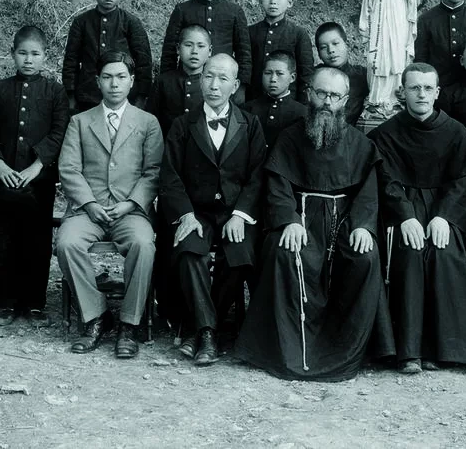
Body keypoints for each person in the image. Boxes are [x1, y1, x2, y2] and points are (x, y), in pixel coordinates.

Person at [235, 67, 395, 381]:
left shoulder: (359, 143)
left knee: (366, 257)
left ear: (345, 101)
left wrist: (364, 225)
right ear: (310, 93)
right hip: (301, 222)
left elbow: (368, 190)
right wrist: (288, 220)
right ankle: (288, 351)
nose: (326, 101)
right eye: (321, 93)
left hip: (345, 223)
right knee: (283, 253)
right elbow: (277, 185)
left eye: (334, 96)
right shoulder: (290, 137)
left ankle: (348, 351)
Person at [369, 63, 466, 373]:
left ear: (437, 93)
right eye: (414, 88)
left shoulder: (455, 132)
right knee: (409, 254)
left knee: (444, 254)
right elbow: (387, 181)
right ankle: (408, 351)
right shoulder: (386, 133)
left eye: (427, 88)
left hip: (443, 212)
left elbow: (463, 182)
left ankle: (443, 349)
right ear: (403, 92)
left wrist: (445, 218)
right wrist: (405, 216)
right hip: (403, 213)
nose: (421, 94)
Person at [159, 54, 266, 366]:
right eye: (208, 77)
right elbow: (170, 176)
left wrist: (241, 214)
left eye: (222, 79)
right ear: (199, 79)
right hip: (197, 213)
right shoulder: (183, 124)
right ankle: (209, 332)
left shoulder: (250, 124)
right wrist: (186, 215)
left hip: (234, 214)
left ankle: (200, 328)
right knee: (190, 252)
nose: (214, 85)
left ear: (234, 86)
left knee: (240, 254)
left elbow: (259, 174)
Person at [56, 51, 163, 358]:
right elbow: (69, 169)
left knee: (144, 244)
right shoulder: (80, 121)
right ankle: (96, 316)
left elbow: (152, 171)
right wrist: (89, 203)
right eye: (107, 77)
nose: (114, 84)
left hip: (129, 210)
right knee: (67, 243)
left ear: (131, 82)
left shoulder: (148, 123)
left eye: (120, 77)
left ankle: (129, 323)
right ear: (97, 81)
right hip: (88, 210)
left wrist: (131, 203)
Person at [0, 26, 69, 327]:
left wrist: (37, 166)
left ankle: (34, 304)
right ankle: (6, 302)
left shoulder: (55, 91)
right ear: (12, 54)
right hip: (4, 179)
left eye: (35, 54)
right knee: (4, 237)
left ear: (46, 56)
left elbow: (59, 132)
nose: (28, 60)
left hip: (38, 182)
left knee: (37, 240)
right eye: (22, 53)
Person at [161, 0, 252, 101]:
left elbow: (244, 53)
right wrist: (167, 83)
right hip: (187, 83)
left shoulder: (234, 11)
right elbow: (169, 51)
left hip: (222, 84)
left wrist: (241, 88)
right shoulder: (182, 10)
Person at [63, 0, 153, 112]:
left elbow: (144, 62)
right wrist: (71, 95)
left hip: (124, 97)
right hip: (88, 96)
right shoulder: (81, 22)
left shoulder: (131, 23)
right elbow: (71, 61)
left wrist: (141, 96)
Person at [359, 0, 417, 111]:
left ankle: (397, 94)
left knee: (397, 51)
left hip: (399, 14)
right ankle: (377, 95)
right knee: (381, 49)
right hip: (380, 14)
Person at [247, 0, 314, 102]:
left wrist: (302, 106)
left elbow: (306, 74)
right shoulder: (250, 32)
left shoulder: (298, 34)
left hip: (288, 104)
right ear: (261, 0)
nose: (273, 2)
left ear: (290, 2)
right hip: (254, 101)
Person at [147, 24, 212, 140]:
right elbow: (150, 120)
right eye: (188, 45)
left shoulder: (213, 84)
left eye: (201, 46)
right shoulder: (163, 82)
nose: (194, 51)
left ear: (210, 51)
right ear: (178, 48)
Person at [244, 51, 307, 151]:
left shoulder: (302, 113)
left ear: (292, 77)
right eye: (268, 73)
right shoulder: (247, 109)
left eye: (279, 73)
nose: (273, 79)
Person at [315, 22, 368, 126]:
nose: (331, 50)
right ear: (319, 54)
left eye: (335, 44)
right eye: (324, 47)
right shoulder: (314, 76)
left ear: (346, 45)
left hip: (349, 137)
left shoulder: (362, 75)